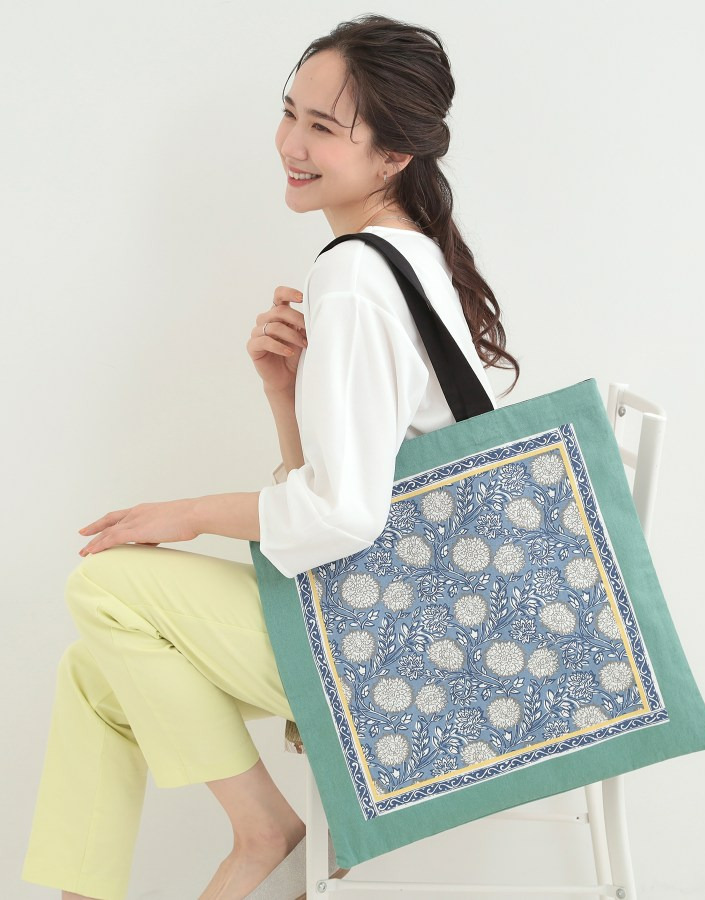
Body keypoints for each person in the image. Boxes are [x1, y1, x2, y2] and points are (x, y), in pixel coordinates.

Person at [20, 13, 520, 900]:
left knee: (105, 585)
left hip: (400, 653)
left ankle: (266, 833)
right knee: (94, 674)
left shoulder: (356, 277)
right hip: (420, 626)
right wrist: (285, 398)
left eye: (323, 127)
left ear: (393, 155)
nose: (291, 144)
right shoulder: (403, 258)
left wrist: (188, 515)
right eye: (290, 112)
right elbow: (341, 497)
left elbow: (344, 516)